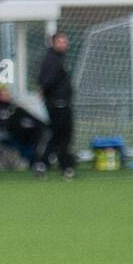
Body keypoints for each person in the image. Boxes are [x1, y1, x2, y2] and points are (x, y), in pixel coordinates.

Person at [36, 32, 75, 179]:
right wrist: (50, 97)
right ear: (53, 43)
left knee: (58, 136)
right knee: (63, 136)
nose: (64, 44)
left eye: (65, 41)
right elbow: (45, 82)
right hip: (58, 104)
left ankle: (44, 164)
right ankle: (65, 167)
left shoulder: (59, 58)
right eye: (60, 42)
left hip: (62, 103)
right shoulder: (52, 59)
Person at [0, 82, 44, 162]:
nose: (7, 94)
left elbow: (28, 116)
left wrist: (40, 123)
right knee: (25, 131)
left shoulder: (13, 106)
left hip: (15, 131)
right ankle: (32, 157)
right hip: (1, 131)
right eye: (4, 91)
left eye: (8, 92)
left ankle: (34, 156)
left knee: (36, 128)